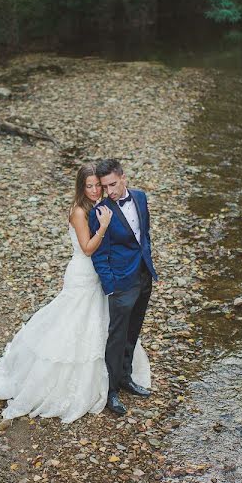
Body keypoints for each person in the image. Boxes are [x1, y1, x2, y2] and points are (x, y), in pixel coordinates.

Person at [0, 164, 150, 423]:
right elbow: (87, 249)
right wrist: (104, 227)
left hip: (107, 274)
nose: (97, 191)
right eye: (91, 186)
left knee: (106, 325)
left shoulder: (116, 202)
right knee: (75, 324)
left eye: (100, 185)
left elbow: (136, 237)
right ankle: (97, 388)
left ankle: (118, 377)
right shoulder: (79, 212)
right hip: (84, 274)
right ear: (81, 187)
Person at [88, 158, 157, 415]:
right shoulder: (101, 211)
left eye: (113, 184)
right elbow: (99, 256)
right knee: (116, 338)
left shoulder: (139, 197)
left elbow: (144, 234)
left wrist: (147, 265)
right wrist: (111, 287)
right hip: (120, 284)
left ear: (124, 178)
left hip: (143, 276)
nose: (110, 191)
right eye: (105, 187)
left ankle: (126, 378)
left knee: (133, 331)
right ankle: (111, 391)